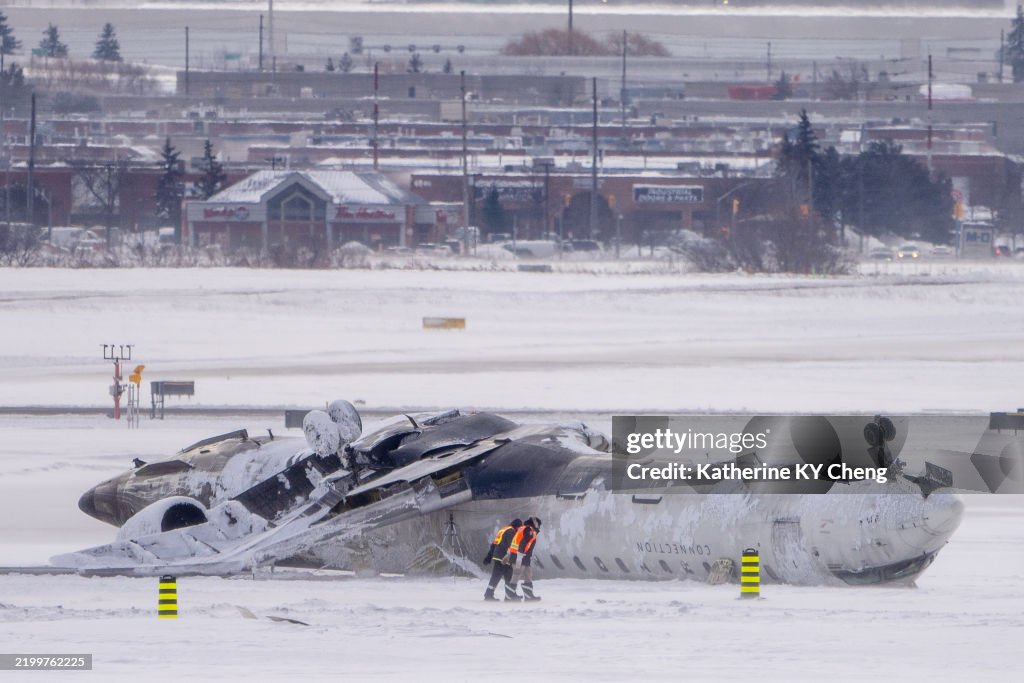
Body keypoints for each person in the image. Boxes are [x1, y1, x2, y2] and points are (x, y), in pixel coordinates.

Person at [482, 518, 522, 601]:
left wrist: (489, 557)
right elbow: (512, 546)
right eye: (519, 528)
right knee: (496, 577)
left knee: (508, 577)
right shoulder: (511, 532)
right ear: (517, 526)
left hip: (500, 556)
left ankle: (510, 595)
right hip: (503, 557)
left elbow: (493, 545)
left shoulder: (503, 530)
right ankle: (488, 595)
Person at [505, 516, 542, 601]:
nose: (539, 527)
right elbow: (521, 544)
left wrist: (531, 557)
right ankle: (509, 596)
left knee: (528, 574)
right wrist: (518, 559)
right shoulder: (528, 530)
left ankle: (529, 596)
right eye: (539, 525)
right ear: (535, 524)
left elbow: (523, 545)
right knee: (517, 574)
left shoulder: (526, 529)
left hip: (524, 557)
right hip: (519, 557)